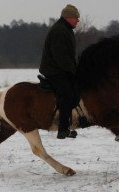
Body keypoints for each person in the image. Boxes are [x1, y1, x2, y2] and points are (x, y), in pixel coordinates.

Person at [39, 4, 80, 139]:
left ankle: (70, 123)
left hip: (60, 69)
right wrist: (73, 70)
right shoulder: (60, 31)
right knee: (67, 94)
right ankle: (63, 129)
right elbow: (60, 56)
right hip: (54, 71)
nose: (78, 20)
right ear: (68, 17)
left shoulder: (66, 29)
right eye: (76, 18)